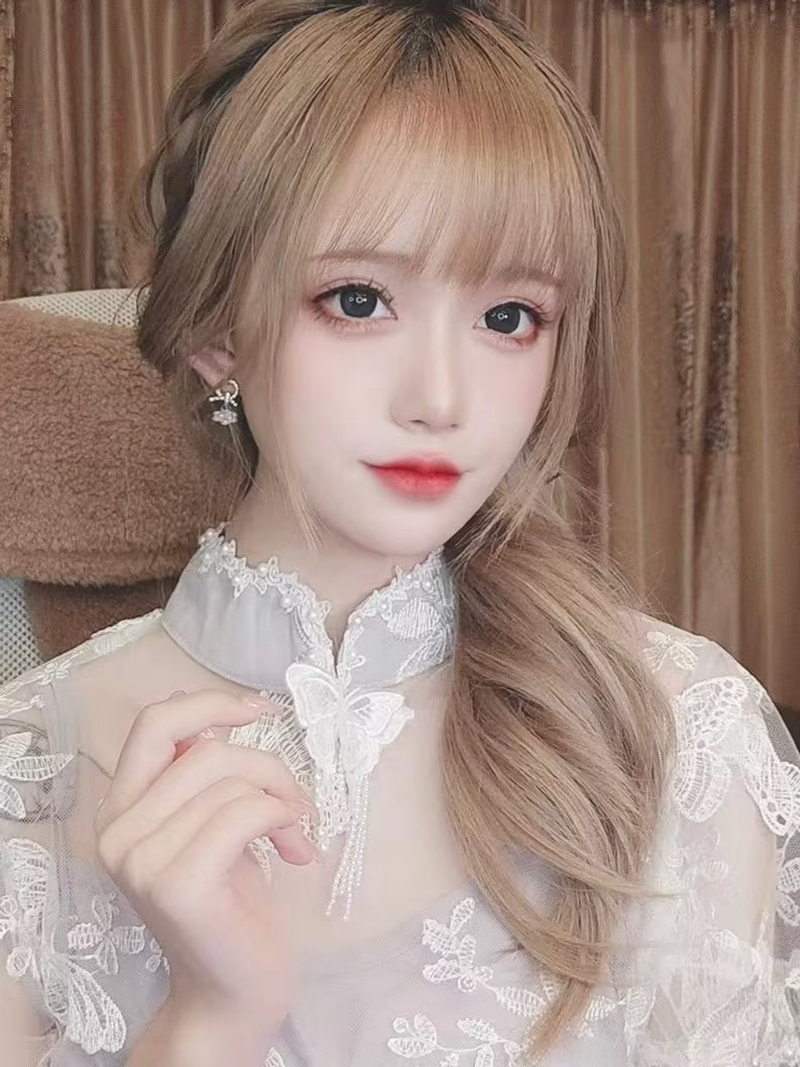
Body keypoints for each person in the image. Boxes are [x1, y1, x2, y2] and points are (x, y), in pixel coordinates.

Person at [1, 0, 798, 1064]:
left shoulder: (682, 731)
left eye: (508, 317)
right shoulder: (28, 776)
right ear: (215, 329)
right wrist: (206, 1024)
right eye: (358, 299)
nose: (440, 398)